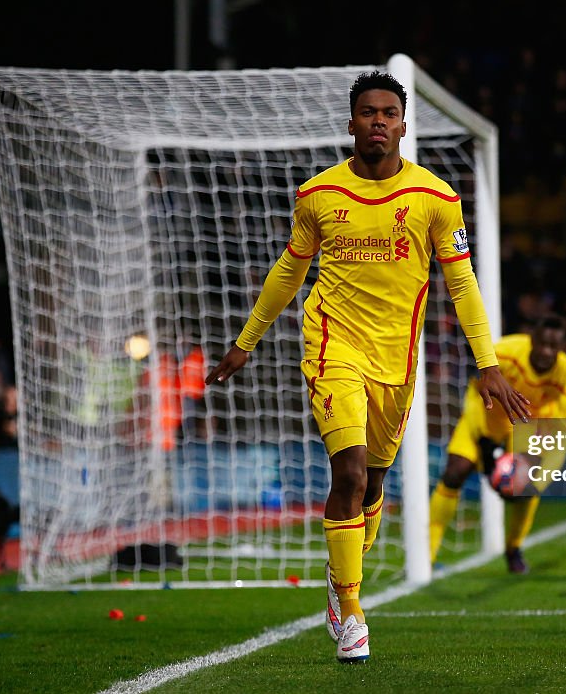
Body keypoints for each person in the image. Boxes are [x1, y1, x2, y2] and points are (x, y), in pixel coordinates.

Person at [204, 71, 530, 664]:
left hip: (395, 361)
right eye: (367, 112)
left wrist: (488, 362)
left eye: (388, 113)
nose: (378, 121)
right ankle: (351, 611)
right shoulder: (318, 195)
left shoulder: (435, 198)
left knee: (374, 483)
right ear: (350, 122)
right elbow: (289, 271)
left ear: (404, 125)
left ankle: (340, 574)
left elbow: (462, 282)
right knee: (349, 474)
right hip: (332, 347)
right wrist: (246, 341)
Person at [428, 314, 566, 574]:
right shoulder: (505, 353)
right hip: (485, 414)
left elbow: (557, 439)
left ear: (562, 349)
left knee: (526, 488)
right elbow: (476, 388)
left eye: (553, 347)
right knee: (455, 472)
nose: (546, 352)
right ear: (532, 339)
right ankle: (428, 556)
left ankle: (514, 549)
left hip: (528, 428)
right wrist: (485, 442)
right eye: (542, 344)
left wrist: (533, 477)